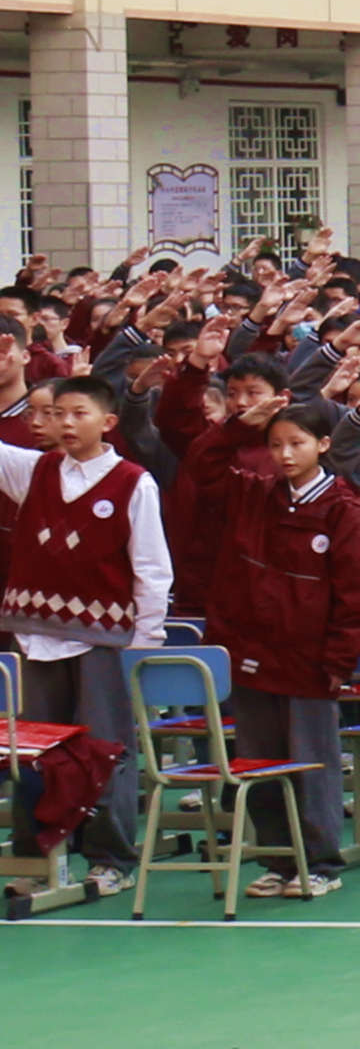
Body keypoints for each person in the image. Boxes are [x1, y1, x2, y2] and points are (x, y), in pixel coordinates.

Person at [0, 373, 176, 894]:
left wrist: (145, 641)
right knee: (33, 752)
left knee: (103, 751)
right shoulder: (34, 470)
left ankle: (110, 858)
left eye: (79, 413)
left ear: (108, 421)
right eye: (58, 414)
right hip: (33, 636)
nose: (66, 423)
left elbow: (152, 567)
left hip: (105, 641)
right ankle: (39, 859)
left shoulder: (133, 482)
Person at [206, 406, 360, 896]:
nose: (285, 455)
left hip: (310, 667)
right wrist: (237, 426)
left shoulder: (342, 508)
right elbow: (202, 464)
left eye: (297, 443)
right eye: (276, 445)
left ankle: (321, 864)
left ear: (323, 445)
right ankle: (278, 861)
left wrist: (337, 662)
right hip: (251, 660)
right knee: (258, 764)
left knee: (311, 765)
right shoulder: (256, 495)